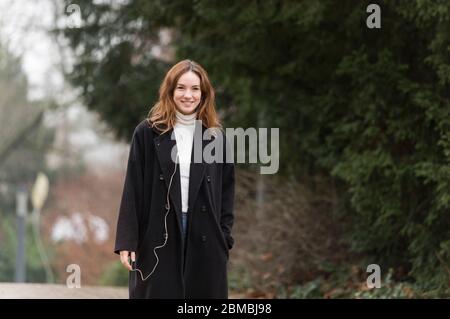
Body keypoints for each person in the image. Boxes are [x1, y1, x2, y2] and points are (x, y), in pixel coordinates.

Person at [114, 59, 235, 299]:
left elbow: (227, 191)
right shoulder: (147, 132)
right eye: (181, 88)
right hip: (159, 229)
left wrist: (224, 237)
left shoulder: (215, 137)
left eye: (195, 89)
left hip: (205, 232)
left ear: (204, 94)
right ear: (170, 91)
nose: (188, 95)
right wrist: (127, 240)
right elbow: (133, 187)